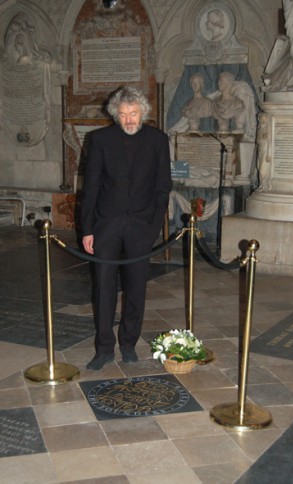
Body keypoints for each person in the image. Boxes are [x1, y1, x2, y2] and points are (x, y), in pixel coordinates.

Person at [80, 86, 172, 370]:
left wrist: (153, 225)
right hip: (106, 226)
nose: (129, 120)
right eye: (123, 115)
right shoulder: (100, 140)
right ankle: (104, 348)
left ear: (143, 112)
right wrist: (87, 229)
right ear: (115, 115)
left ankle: (129, 343)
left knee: (135, 287)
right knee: (104, 287)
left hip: (141, 226)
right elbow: (90, 188)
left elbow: (163, 187)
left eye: (133, 114)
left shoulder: (158, 140)